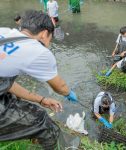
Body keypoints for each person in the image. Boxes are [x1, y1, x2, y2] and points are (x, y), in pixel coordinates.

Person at [0, 10, 77, 150]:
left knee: (13, 99)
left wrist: (42, 100)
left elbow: (7, 84)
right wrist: (68, 93)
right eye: (50, 38)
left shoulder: (4, 32)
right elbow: (60, 86)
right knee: (43, 123)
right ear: (44, 34)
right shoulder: (38, 50)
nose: (49, 43)